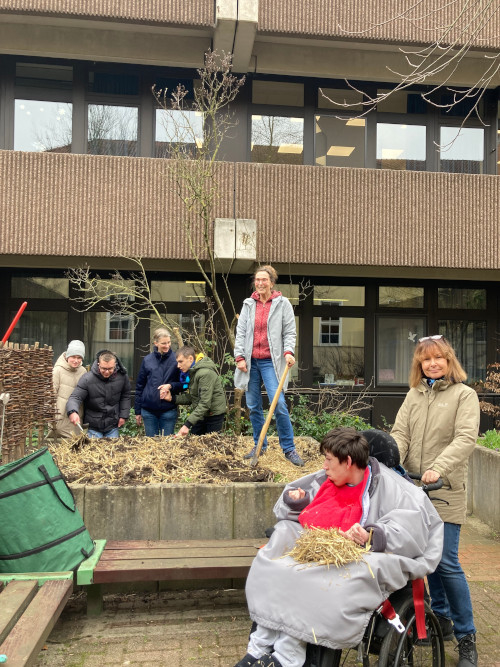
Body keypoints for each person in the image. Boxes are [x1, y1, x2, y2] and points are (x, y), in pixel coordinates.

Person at [234, 428, 443, 667]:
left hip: (365, 556)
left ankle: (288, 654)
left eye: (328, 459)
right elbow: (302, 505)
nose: (323, 466)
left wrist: (372, 535)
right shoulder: (329, 477)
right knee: (279, 566)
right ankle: (260, 646)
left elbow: (410, 528)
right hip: (326, 549)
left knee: (316, 582)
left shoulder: (396, 489)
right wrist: (298, 499)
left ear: (348, 462)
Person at [391, 335, 480, 667]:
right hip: (412, 489)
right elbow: (401, 433)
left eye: (438, 358)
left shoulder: (464, 395)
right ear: (419, 365)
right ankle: (439, 618)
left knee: (445, 562)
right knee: (424, 559)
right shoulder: (414, 395)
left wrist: (437, 468)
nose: (432, 364)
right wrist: (391, 458)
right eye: (425, 360)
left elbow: (466, 437)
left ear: (449, 360)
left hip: (445, 488)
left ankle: (466, 636)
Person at [234, 264, 303, 466]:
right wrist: (239, 356)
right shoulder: (248, 304)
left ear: (272, 283)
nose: (260, 283)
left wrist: (289, 352)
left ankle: (289, 449)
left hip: (271, 363)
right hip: (251, 362)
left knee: (279, 404)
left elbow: (290, 332)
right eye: (257, 280)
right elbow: (241, 333)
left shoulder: (283, 304)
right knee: (254, 406)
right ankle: (259, 445)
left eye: (264, 280)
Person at [160, 346, 226, 436]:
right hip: (202, 414)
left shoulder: (204, 373)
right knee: (194, 444)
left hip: (213, 415)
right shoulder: (194, 371)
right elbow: (193, 397)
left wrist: (187, 425)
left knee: (211, 446)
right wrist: (172, 398)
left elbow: (205, 403)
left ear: (190, 358)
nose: (178, 366)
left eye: (181, 361)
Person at [66, 349, 131, 438]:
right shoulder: (87, 379)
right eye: (104, 368)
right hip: (93, 425)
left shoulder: (122, 377)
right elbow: (75, 397)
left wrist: (124, 415)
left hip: (113, 424)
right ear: (98, 365)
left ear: (115, 366)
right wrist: (72, 411)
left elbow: (126, 396)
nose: (107, 372)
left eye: (110, 369)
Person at [134, 327, 181, 436]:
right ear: (156, 343)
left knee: (167, 445)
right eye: (163, 343)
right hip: (148, 411)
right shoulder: (147, 360)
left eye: (169, 342)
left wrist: (171, 386)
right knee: (152, 445)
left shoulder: (176, 359)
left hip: (169, 409)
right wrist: (137, 411)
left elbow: (183, 384)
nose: (167, 346)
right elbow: (140, 386)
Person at [50, 340, 87, 438]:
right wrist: (53, 419)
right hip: (60, 419)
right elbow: (51, 396)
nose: (76, 360)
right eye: (73, 357)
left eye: (79, 357)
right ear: (67, 356)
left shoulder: (83, 371)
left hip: (76, 418)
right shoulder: (57, 371)